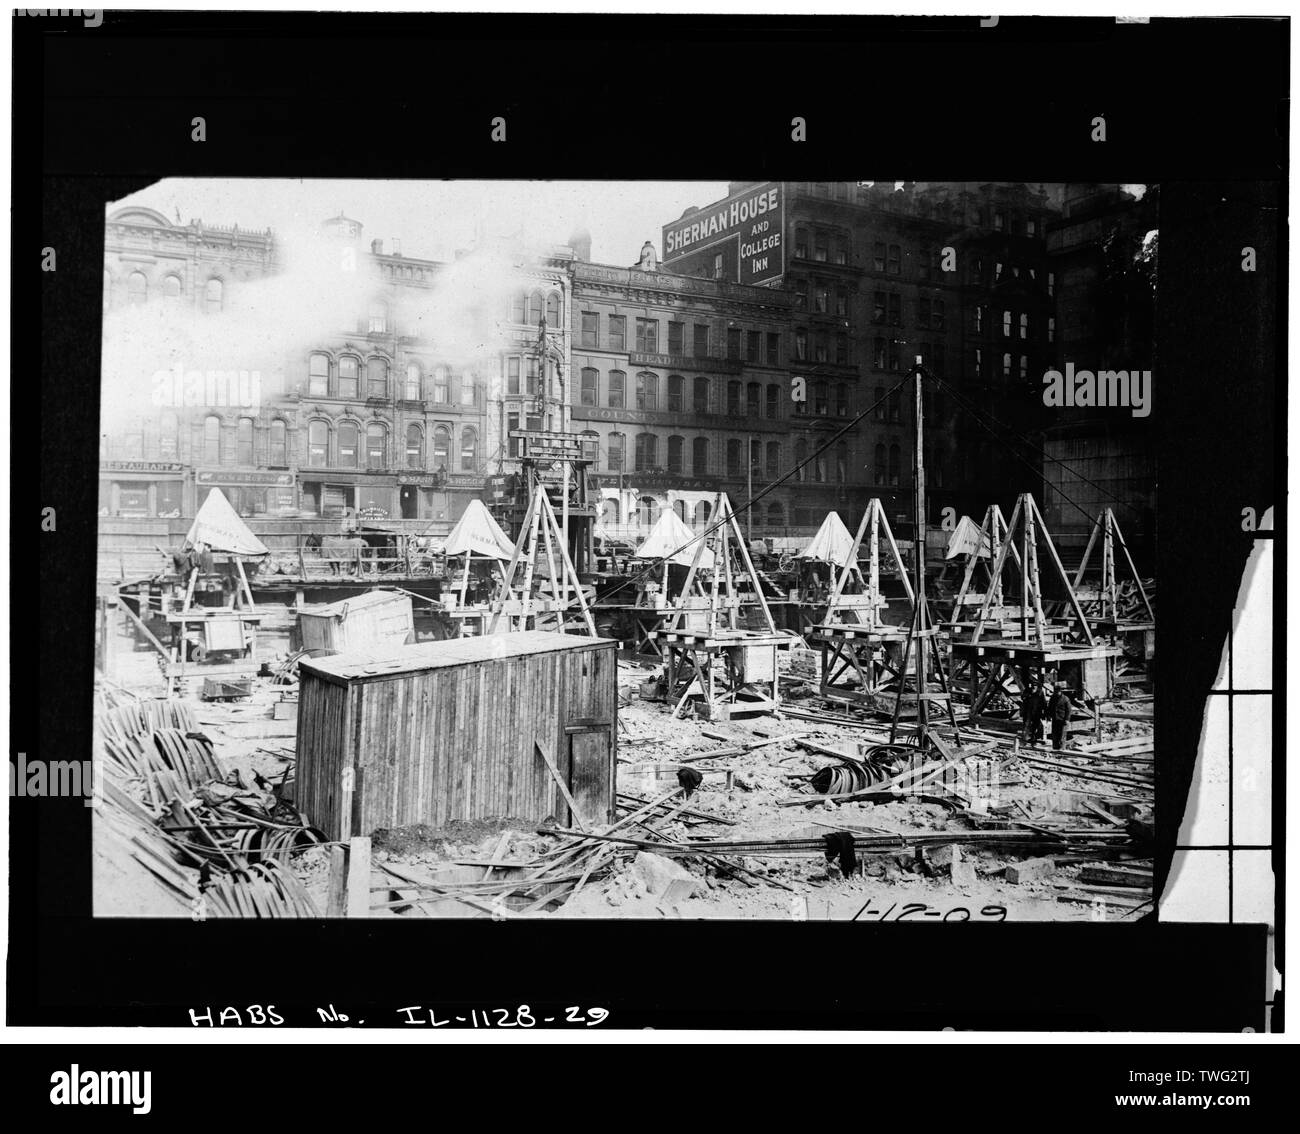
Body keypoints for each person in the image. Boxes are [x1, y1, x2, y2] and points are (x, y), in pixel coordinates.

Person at [1048, 684, 1074, 751]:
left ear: (1060, 691)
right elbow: (1050, 707)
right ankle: (1055, 747)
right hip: (1055, 718)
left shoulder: (1065, 699)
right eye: (1055, 691)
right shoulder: (1053, 698)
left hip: (1062, 719)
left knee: (1062, 735)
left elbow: (1069, 710)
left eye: (1057, 692)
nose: (1056, 693)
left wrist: (1067, 719)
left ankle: (1062, 748)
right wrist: (1048, 715)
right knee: (1054, 734)